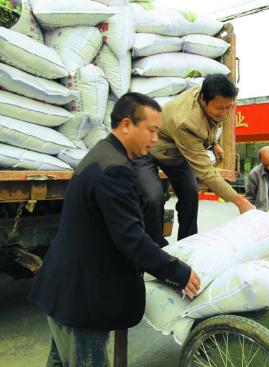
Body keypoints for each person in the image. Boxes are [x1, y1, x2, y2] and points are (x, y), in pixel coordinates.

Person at [28, 93, 200, 367]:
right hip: (83, 299)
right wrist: (179, 272)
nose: (155, 139)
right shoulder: (115, 170)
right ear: (127, 124)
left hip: (67, 291)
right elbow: (131, 239)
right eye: (151, 130)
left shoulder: (102, 154)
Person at [132, 74, 254, 245]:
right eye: (220, 108)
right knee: (153, 198)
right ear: (203, 99)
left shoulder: (204, 94)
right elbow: (205, 172)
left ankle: (188, 246)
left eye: (229, 107)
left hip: (177, 152)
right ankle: (155, 247)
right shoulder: (186, 123)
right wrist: (239, 200)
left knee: (190, 196)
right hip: (149, 150)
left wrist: (214, 143)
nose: (225, 114)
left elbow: (210, 124)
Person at [244, 146, 269, 211]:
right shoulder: (254, 174)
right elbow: (250, 198)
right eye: (265, 165)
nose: (268, 168)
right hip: (262, 212)